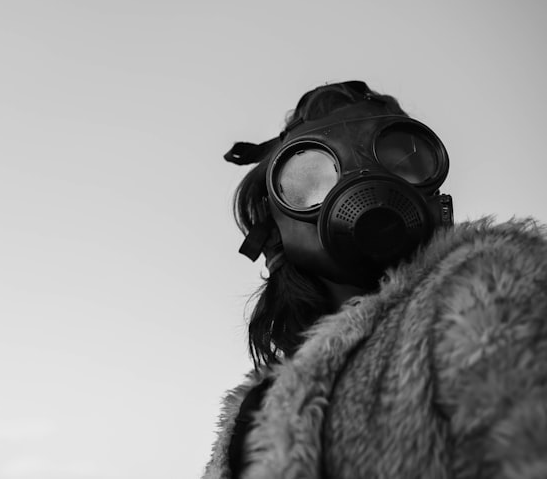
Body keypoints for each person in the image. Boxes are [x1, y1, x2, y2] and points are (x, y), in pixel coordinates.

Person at [202, 80, 547, 479]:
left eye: (402, 162)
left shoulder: (488, 294)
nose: (364, 183)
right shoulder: (254, 413)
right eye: (310, 179)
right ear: (276, 225)